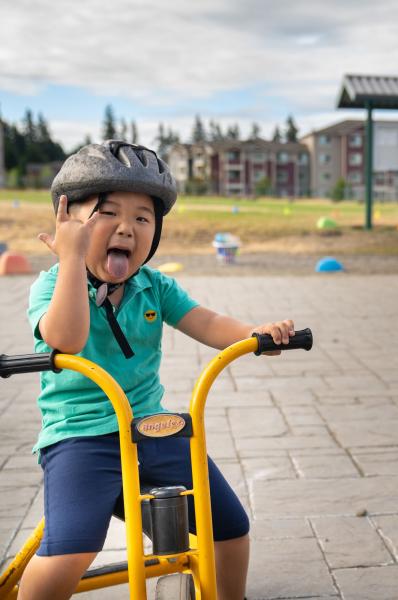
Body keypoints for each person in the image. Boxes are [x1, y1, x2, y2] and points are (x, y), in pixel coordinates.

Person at [22, 141, 295, 600]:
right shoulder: (52, 284)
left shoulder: (153, 285)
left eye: (143, 218)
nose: (126, 228)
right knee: (69, 552)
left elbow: (205, 321)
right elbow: (65, 338)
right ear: (69, 223)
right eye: (107, 213)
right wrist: (71, 259)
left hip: (151, 428)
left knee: (228, 528)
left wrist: (255, 335)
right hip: (80, 436)